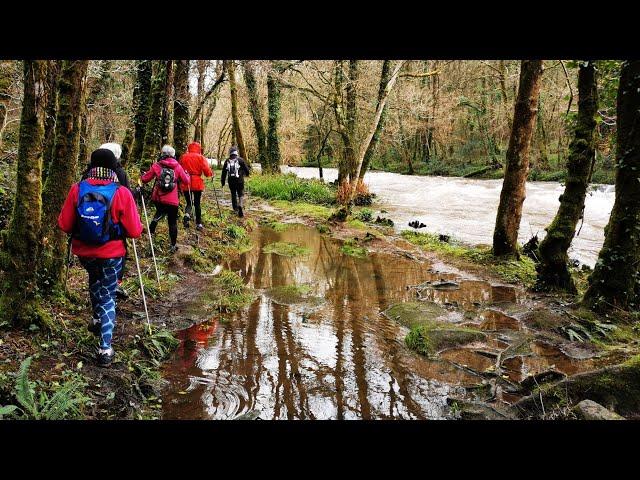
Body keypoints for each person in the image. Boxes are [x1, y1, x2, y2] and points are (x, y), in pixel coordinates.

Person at [58, 148, 143, 367]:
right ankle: (105, 348)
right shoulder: (121, 192)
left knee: (94, 279)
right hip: (112, 254)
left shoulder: (77, 189)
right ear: (113, 167)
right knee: (108, 295)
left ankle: (97, 319)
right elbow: (134, 231)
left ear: (91, 166)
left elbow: (64, 225)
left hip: (85, 253)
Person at [81, 142, 131, 299]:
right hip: (112, 238)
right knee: (108, 289)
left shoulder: (85, 177)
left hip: (85, 238)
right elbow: (127, 201)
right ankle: (115, 285)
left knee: (94, 277)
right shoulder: (120, 174)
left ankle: (96, 317)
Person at [140, 145, 190, 253]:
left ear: (162, 154)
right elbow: (186, 181)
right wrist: (187, 175)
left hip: (158, 198)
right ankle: (173, 245)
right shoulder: (178, 167)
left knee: (159, 211)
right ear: (173, 155)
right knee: (172, 222)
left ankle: (153, 226)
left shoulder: (157, 165)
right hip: (173, 201)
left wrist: (141, 176)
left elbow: (145, 179)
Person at [178, 141, 213, 231]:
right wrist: (210, 173)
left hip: (186, 182)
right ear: (198, 149)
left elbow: (179, 169)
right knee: (197, 203)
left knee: (189, 202)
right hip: (197, 183)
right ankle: (199, 223)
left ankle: (187, 215)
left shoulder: (183, 157)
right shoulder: (201, 158)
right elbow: (206, 171)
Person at [221, 146, 250, 217]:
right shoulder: (241, 160)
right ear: (236, 152)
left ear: (230, 153)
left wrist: (223, 182)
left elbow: (224, 172)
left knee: (233, 194)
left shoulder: (227, 161)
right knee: (241, 193)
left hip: (231, 181)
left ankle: (235, 209)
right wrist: (247, 174)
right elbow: (247, 170)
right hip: (240, 181)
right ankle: (240, 205)